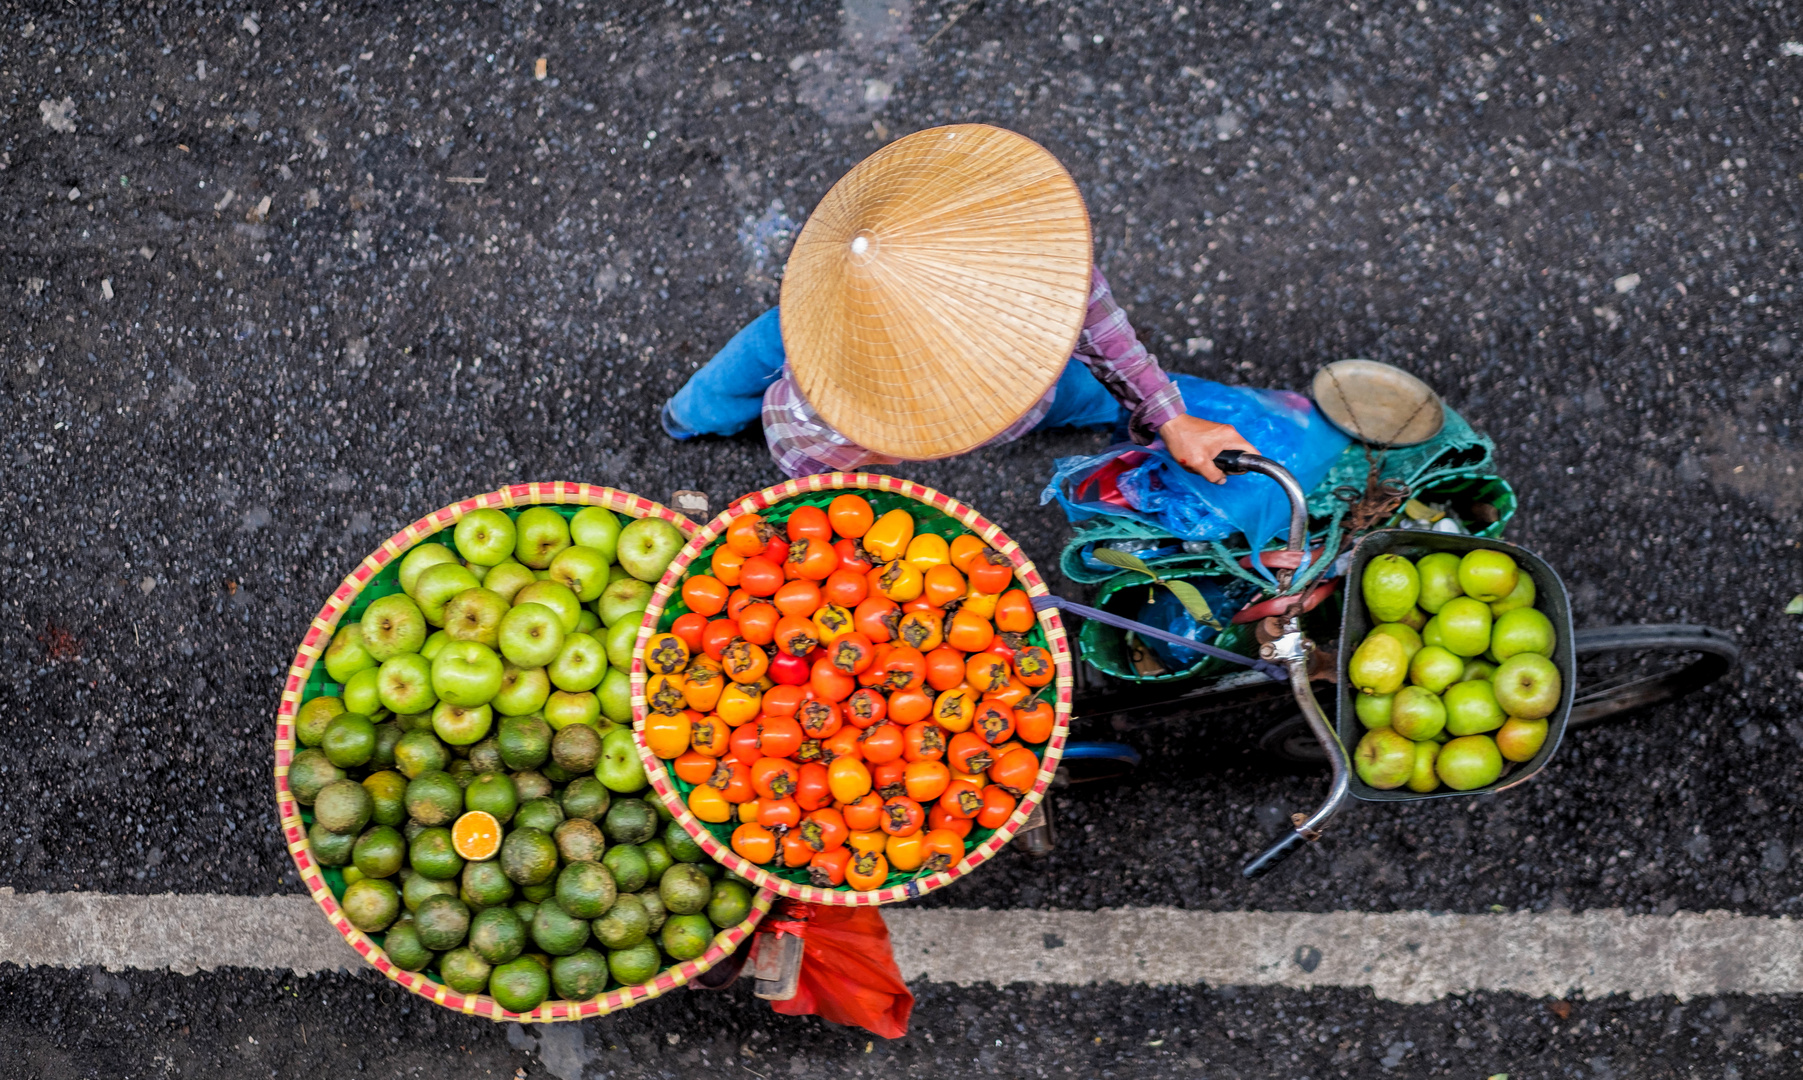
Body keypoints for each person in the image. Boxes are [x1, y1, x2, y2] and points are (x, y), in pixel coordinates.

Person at [661, 124, 1258, 482]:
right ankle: (686, 420)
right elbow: (795, 444)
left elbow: (1102, 332)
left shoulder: (1034, 256)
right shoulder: (830, 405)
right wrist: (862, 468)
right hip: (807, 338)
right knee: (727, 384)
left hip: (842, 337)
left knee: (1085, 399)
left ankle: (693, 414)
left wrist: (1169, 418)